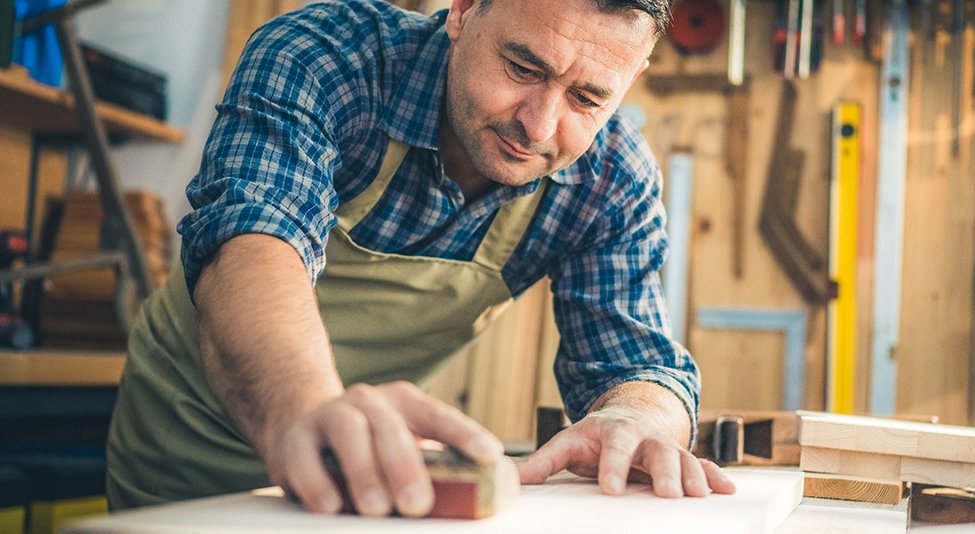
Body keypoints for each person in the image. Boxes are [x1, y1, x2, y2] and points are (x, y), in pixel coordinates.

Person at [106, 0, 735, 517]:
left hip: (375, 470)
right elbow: (253, 241)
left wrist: (640, 416)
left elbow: (635, 361)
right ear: (463, 10)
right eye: (522, 67)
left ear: (632, 79)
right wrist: (307, 414)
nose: (540, 126)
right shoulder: (325, 56)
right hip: (189, 457)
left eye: (589, 99)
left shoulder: (612, 178)